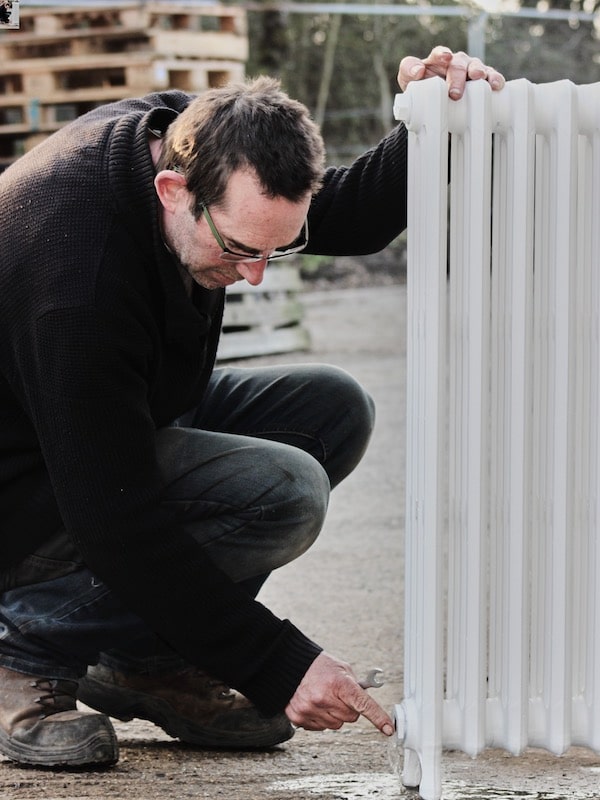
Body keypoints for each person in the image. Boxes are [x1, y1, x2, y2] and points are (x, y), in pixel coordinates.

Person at [0, 47, 504, 769]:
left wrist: (433, 123)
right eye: (239, 250)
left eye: (280, 248)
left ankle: (148, 659)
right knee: (283, 492)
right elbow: (115, 517)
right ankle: (24, 651)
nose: (256, 278)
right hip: (24, 486)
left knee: (333, 409)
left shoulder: (198, 144)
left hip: (107, 424)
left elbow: (349, 218)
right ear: (174, 191)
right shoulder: (78, 279)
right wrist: (278, 662)